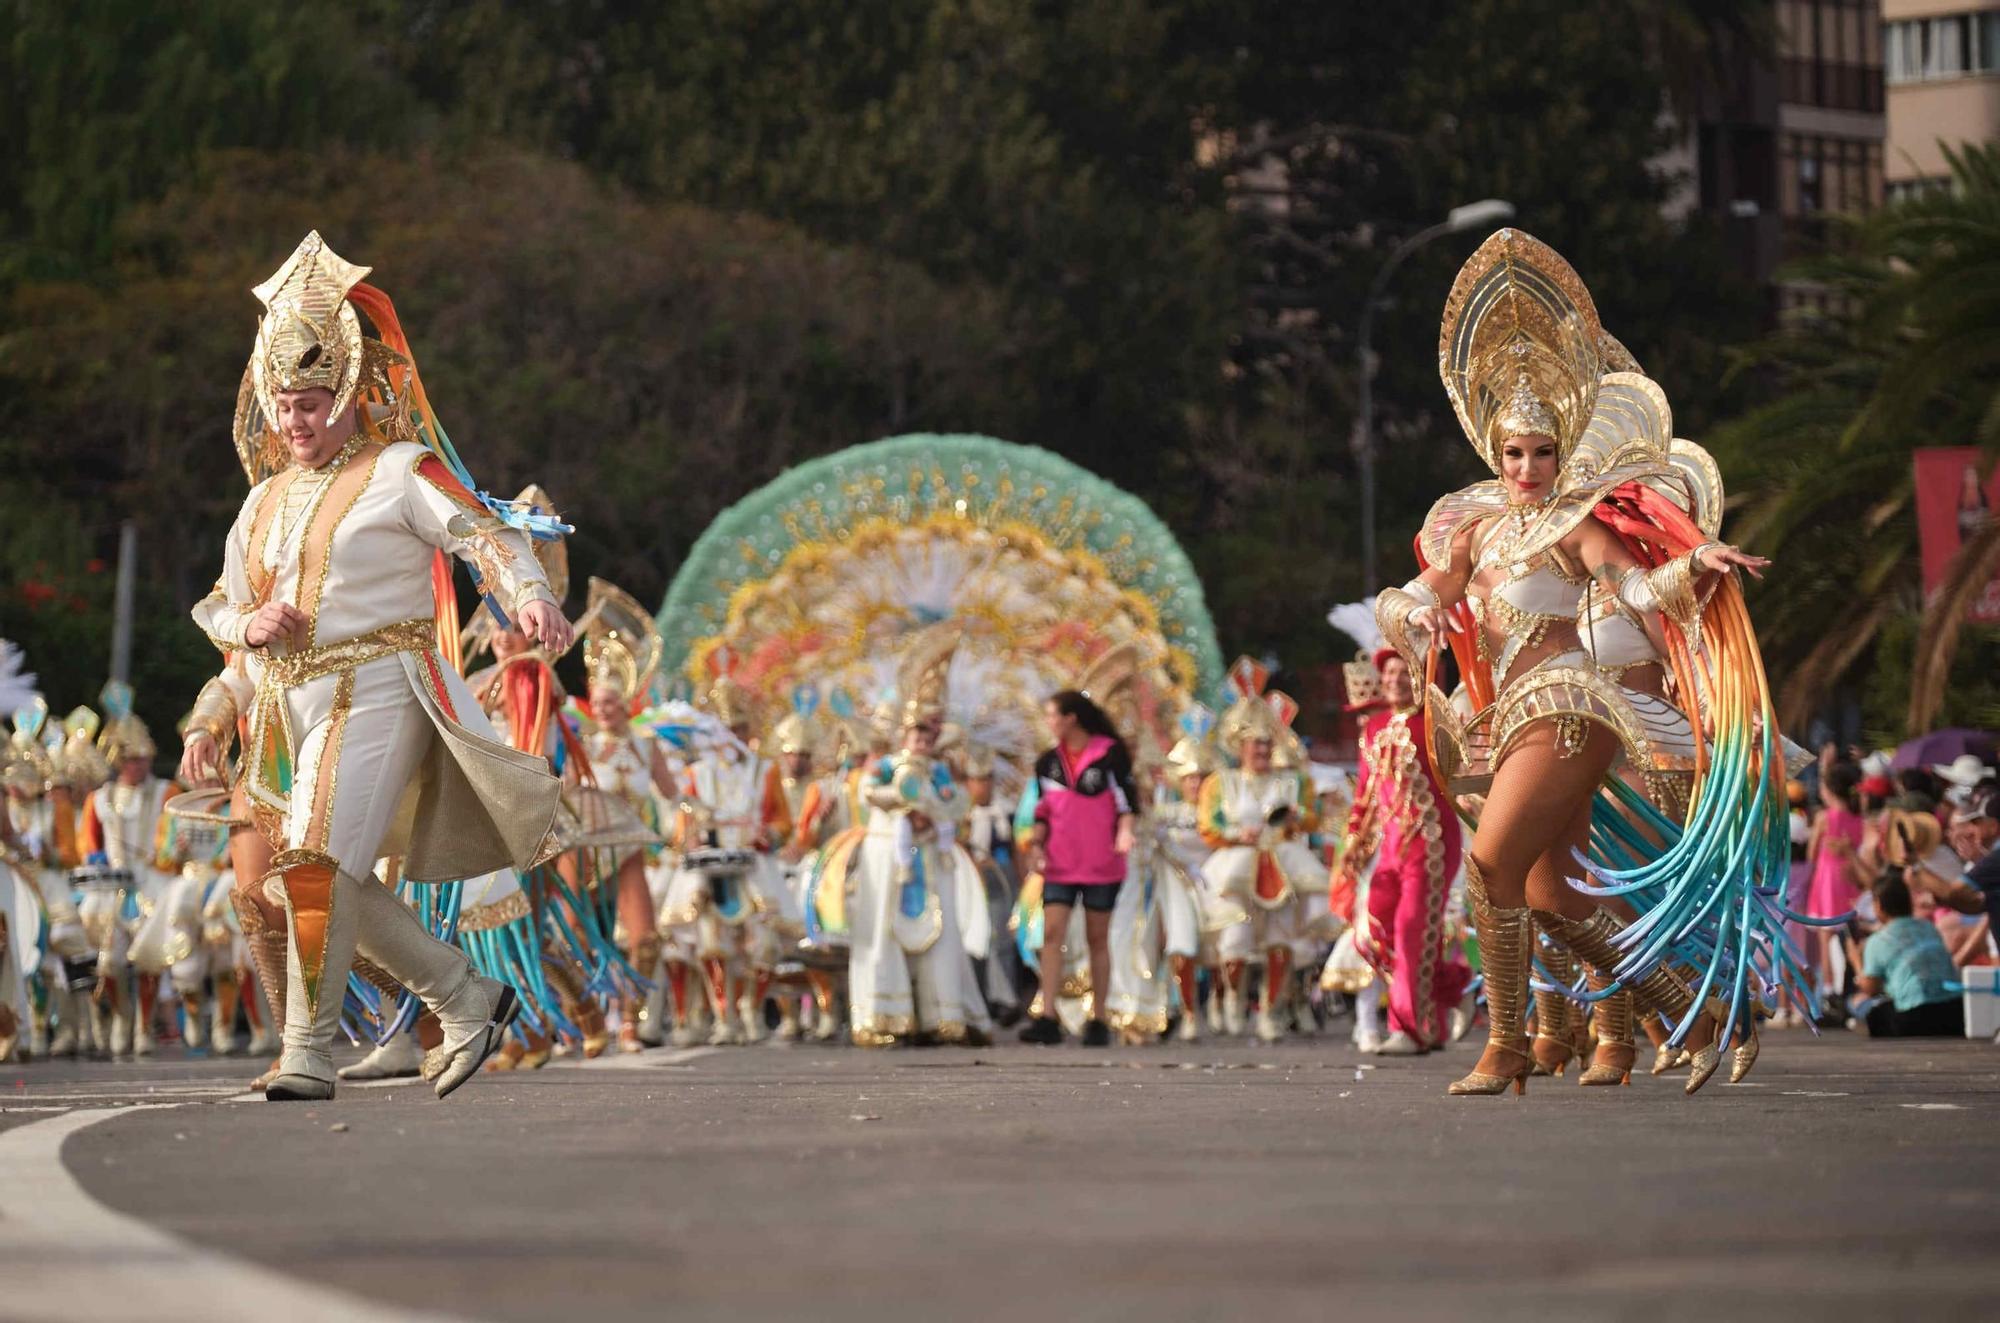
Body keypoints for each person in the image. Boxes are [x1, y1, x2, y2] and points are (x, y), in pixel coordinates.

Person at [1374, 228, 1784, 1097]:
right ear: (1493, 448)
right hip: (1509, 717)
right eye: (1514, 452)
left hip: (1571, 709)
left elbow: (1627, 588)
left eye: (1544, 451)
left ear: (1564, 450)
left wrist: (1690, 566)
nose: (1528, 467)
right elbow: (1423, 586)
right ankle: (1694, 1012)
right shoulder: (1477, 527)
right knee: (1553, 895)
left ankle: (1510, 1043)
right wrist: (1414, 608)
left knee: (1490, 865)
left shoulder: (1577, 524)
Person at [188, 232, 571, 1101]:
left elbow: (480, 529)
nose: (298, 419)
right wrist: (248, 634)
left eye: (314, 401)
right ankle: (467, 996)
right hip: (291, 704)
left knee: (315, 866)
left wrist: (526, 597)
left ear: (353, 395)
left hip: (383, 685)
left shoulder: (402, 469)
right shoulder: (262, 500)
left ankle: (309, 1052)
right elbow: (220, 604)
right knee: (310, 880)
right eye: (285, 403)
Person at [824, 626, 992, 1046]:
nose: (922, 740)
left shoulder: (938, 771)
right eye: (917, 733)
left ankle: (941, 1015)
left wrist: (931, 813)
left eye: (929, 734)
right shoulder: (884, 766)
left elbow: (958, 805)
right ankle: (883, 1015)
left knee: (941, 933)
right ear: (903, 734)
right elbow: (869, 793)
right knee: (880, 931)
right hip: (887, 856)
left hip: (931, 855)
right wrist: (903, 803)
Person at [1333, 649, 1469, 1057]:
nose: (1394, 680)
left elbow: (1462, 769)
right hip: (1391, 848)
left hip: (1430, 845)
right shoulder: (1373, 727)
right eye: (1388, 672)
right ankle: (1449, 992)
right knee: (1375, 929)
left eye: (1404, 672)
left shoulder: (1433, 723)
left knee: (1412, 931)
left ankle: (1408, 1028)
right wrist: (1354, 844)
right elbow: (1365, 795)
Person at [1196, 659, 1327, 1042]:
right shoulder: (1222, 782)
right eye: (1256, 743)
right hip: (1237, 864)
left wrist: (1296, 818)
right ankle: (1233, 998)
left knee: (1280, 941)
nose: (1263, 749)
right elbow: (1209, 825)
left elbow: (1313, 820)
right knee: (1234, 942)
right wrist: (1240, 835)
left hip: (1283, 864)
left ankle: (1271, 1010)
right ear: (1240, 746)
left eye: (1268, 743)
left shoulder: (1292, 781)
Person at [1016, 690, 1139, 1046]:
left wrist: (1125, 832)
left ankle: (1098, 1017)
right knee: (1052, 934)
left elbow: (1126, 801)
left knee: (1097, 938)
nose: (1049, 722)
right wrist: (1036, 845)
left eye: (1053, 715)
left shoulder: (1109, 754)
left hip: (1101, 861)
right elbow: (1042, 812)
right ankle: (1048, 1015)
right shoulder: (1047, 763)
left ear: (1071, 719)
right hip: (1059, 861)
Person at [1852, 872, 1965, 1038]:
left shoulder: (1878, 940)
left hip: (1913, 1018)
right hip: (1954, 1012)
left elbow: (1870, 988)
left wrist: (1855, 959)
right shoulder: (1929, 927)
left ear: (1879, 905)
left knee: (1858, 1002)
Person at [1804, 763, 1866, 1019]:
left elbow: (1811, 853)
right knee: (1851, 935)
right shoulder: (1858, 817)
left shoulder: (1824, 817)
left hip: (1828, 878)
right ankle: (1849, 985)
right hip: (1851, 876)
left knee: (1825, 937)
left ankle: (1830, 991)